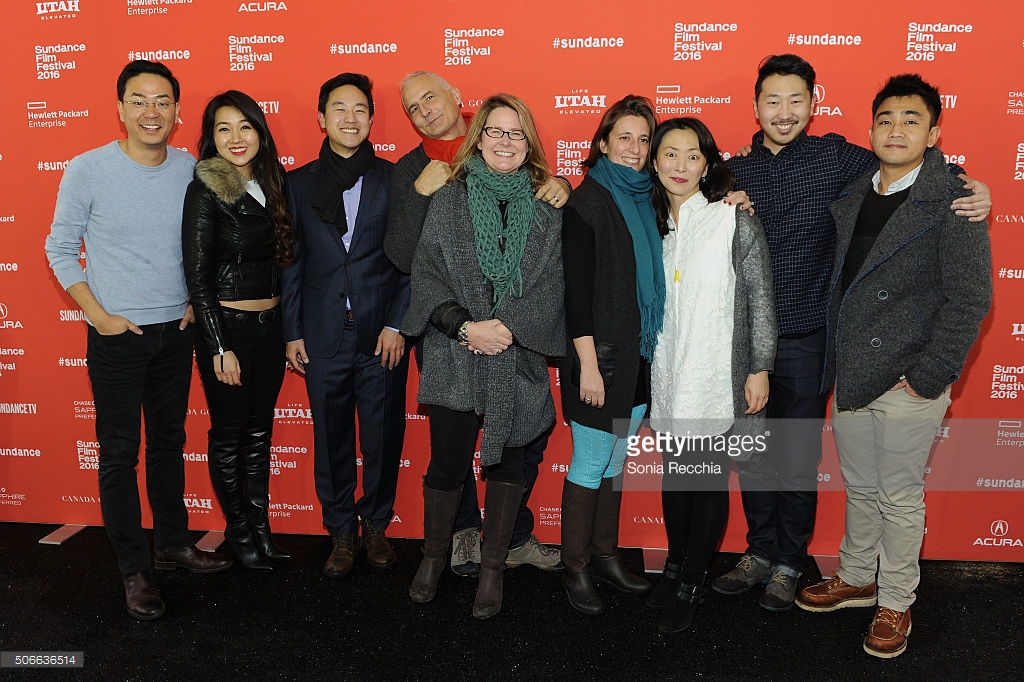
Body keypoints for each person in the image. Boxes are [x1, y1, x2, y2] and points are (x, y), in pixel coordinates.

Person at [714, 54, 991, 612]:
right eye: (773, 100)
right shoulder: (732, 168)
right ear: (755, 107)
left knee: (793, 457)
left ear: (815, 103)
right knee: (754, 454)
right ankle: (760, 552)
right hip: (744, 344)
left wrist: (972, 186)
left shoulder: (842, 158)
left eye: (796, 100)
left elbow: (914, 171)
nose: (784, 111)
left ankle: (791, 561)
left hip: (810, 339)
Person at [795, 74, 991, 659]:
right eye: (886, 118)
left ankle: (897, 601)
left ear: (933, 132)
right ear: (872, 127)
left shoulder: (953, 198)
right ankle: (857, 577)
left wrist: (931, 374)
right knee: (861, 487)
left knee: (900, 497)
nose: (896, 128)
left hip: (910, 379)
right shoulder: (855, 191)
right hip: (854, 373)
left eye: (911, 119)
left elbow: (971, 299)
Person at [44, 60, 231, 621]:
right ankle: (134, 568)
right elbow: (59, 248)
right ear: (120, 107)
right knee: (120, 455)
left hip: (176, 334)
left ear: (177, 110)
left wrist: (196, 307)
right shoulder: (87, 169)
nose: (152, 111)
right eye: (139, 100)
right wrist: (98, 315)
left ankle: (172, 544)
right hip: (117, 337)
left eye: (163, 101)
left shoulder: (192, 169)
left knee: (169, 444)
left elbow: (211, 246)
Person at [386, 71, 567, 576]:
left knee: (516, 457)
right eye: (496, 132)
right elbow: (418, 267)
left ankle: (501, 554)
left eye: (516, 133)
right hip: (452, 345)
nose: (505, 141)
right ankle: (444, 550)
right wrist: (468, 328)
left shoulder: (546, 204)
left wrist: (504, 328)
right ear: (478, 136)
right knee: (448, 459)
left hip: (518, 349)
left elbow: (553, 283)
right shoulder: (437, 188)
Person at [644, 117, 777, 634]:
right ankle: (675, 564)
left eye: (692, 155)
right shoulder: (653, 222)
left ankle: (693, 578)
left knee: (705, 479)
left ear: (708, 164)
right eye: (669, 154)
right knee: (675, 478)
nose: (680, 165)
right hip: (670, 372)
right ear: (654, 162)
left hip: (715, 374)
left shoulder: (730, 218)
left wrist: (759, 366)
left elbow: (761, 298)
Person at [281, 73, 410, 577]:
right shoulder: (297, 183)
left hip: (382, 335)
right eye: (339, 109)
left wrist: (398, 324)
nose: (350, 118)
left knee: (381, 437)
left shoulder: (394, 178)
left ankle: (376, 525)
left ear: (372, 118)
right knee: (331, 439)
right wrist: (292, 331)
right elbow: (290, 263)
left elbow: (412, 261)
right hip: (322, 333)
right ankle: (340, 532)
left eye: (360, 109)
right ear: (321, 118)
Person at [182, 90, 295, 570]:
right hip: (227, 328)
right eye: (223, 129)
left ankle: (261, 527)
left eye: (245, 127)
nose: (236, 138)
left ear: (259, 132)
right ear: (211, 138)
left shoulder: (272, 182)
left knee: (259, 432)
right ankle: (239, 531)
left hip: (270, 329)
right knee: (230, 433)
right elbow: (198, 277)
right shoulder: (206, 189)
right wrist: (218, 346)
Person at [558, 95, 661, 617]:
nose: (634, 149)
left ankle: (605, 555)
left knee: (617, 462)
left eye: (644, 139)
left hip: (638, 359)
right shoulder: (587, 202)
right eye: (624, 137)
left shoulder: (649, 200)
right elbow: (574, 297)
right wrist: (590, 368)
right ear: (602, 143)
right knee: (592, 461)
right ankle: (574, 566)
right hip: (599, 361)